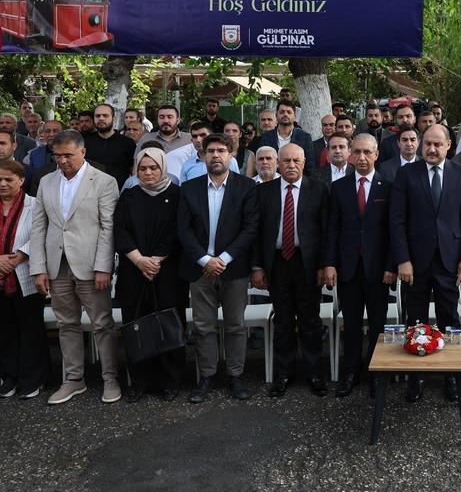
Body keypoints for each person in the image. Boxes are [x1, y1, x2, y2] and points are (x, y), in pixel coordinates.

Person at [29, 130, 121, 405]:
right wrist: (39, 267)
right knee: (66, 323)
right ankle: (73, 379)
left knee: (102, 324)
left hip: (92, 265)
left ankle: (110, 378)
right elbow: (38, 227)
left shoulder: (104, 182)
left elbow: (108, 227)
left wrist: (104, 266)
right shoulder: (45, 182)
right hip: (57, 264)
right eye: (57, 156)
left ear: (83, 152)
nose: (62, 161)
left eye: (68, 155)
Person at [389, 124, 461, 403]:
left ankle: (451, 376)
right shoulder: (406, 174)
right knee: (415, 320)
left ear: (449, 146)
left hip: (451, 261)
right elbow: (397, 220)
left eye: (437, 144)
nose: (431, 149)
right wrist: (402, 260)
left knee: (449, 319)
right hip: (415, 263)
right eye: (427, 143)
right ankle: (416, 376)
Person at [178, 133, 260, 402]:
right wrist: (205, 260)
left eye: (221, 150)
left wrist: (223, 258)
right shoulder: (189, 189)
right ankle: (206, 377)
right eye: (210, 150)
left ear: (231, 155)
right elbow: (183, 230)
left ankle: (236, 376)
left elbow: (250, 229)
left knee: (236, 325)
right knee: (203, 327)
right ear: (202, 156)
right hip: (200, 269)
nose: (215, 155)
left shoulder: (246, 187)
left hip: (233, 269)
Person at [252, 143, 329, 398]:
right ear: (277, 163)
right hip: (277, 263)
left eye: (296, 161)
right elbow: (256, 233)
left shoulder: (317, 189)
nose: (291, 165)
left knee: (310, 320)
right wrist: (257, 267)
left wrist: (323, 265)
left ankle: (314, 373)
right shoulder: (263, 192)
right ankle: (283, 374)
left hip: (307, 263)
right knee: (283, 321)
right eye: (286, 161)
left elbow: (326, 231)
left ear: (305, 162)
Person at [323, 134, 395, 398]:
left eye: (367, 152)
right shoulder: (339, 187)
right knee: (351, 322)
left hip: (379, 269)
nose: (362, 158)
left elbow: (392, 231)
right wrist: (330, 263)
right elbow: (333, 229)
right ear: (350, 154)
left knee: (378, 323)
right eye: (358, 152)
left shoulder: (387, 186)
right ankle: (351, 371)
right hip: (348, 267)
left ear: (377, 154)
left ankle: (376, 372)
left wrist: (391, 265)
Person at [113, 149, 187, 402]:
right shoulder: (128, 197)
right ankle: (140, 382)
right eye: (142, 168)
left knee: (169, 325)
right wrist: (139, 260)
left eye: (153, 167)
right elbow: (119, 232)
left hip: (167, 272)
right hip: (134, 272)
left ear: (163, 168)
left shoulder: (178, 195)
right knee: (137, 327)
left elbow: (179, 231)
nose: (147, 173)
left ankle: (170, 381)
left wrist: (155, 260)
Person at [83, 104, 137, 188]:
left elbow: (134, 172)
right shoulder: (86, 142)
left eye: (105, 115)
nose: (101, 118)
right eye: (97, 116)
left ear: (113, 119)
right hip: (90, 192)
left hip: (119, 193)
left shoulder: (127, 143)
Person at [259, 100, 315, 168]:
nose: (285, 114)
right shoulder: (266, 137)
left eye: (289, 112)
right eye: (282, 112)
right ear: (276, 115)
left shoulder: (305, 137)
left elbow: (310, 165)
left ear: (294, 116)